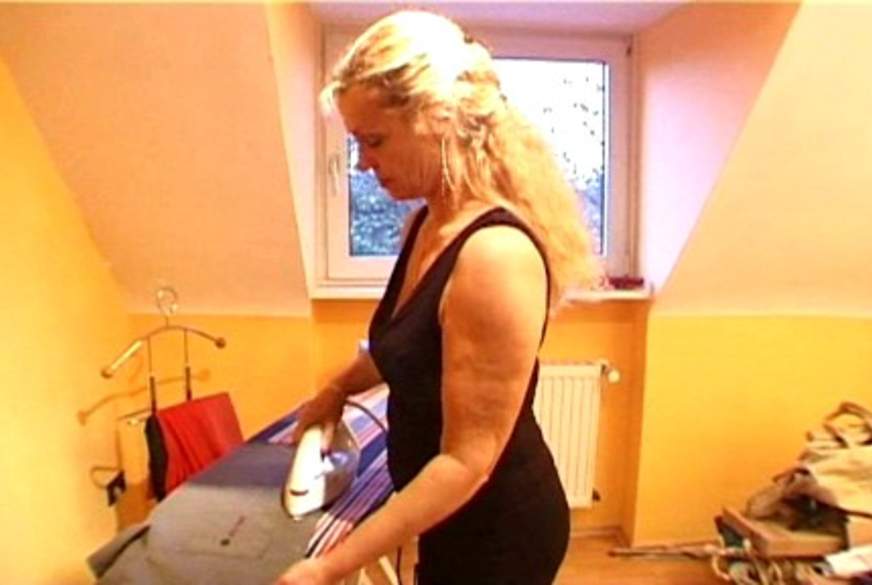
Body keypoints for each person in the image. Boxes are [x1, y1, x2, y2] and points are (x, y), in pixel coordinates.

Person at [276, 10, 601, 585]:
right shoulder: (426, 225)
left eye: (374, 140)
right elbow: (405, 348)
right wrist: (334, 390)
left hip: (499, 532)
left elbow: (466, 461)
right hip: (445, 517)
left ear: (438, 118)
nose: (362, 163)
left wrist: (328, 567)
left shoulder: (494, 257)